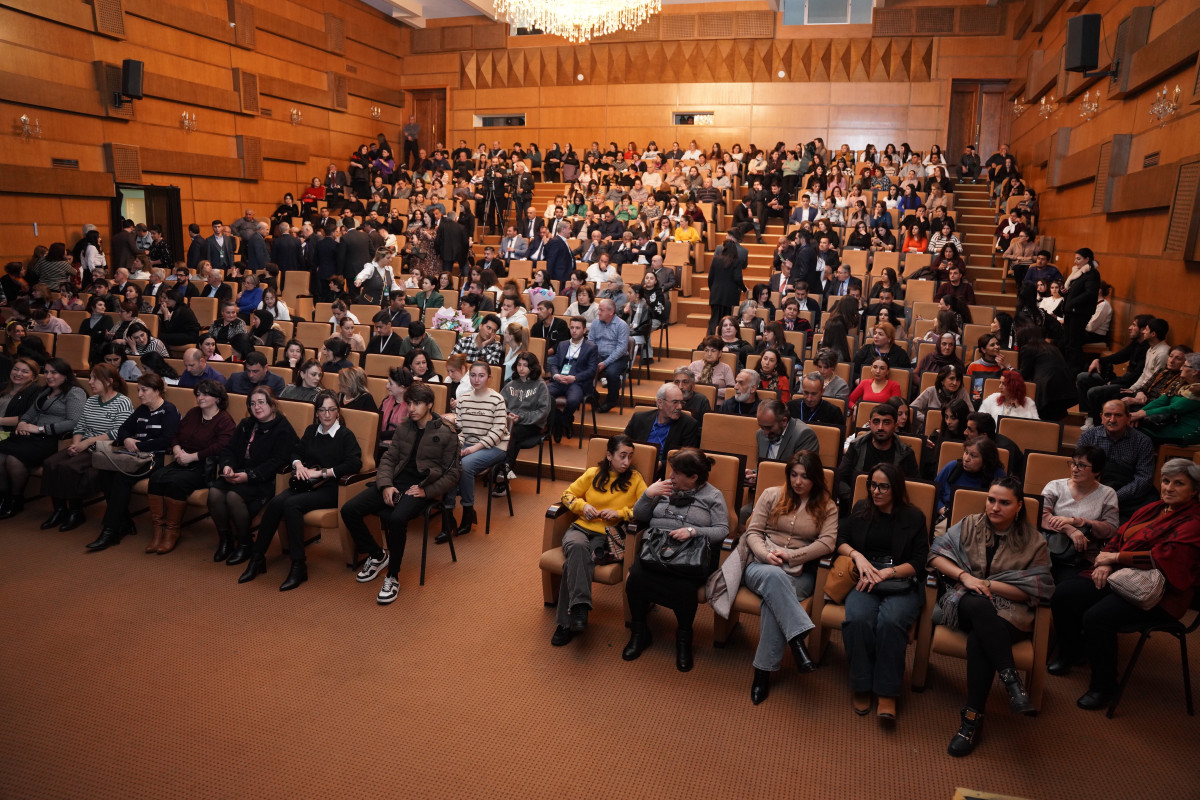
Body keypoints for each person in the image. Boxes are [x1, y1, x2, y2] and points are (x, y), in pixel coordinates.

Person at [1049, 459, 1200, 710]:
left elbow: (1162, 559)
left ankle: (1104, 686)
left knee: (1097, 617)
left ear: (1195, 491)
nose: (1169, 488)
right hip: (1119, 574)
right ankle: (1071, 652)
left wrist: (1114, 559)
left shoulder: (1194, 522)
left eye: (1179, 483)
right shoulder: (1153, 509)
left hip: (1160, 592)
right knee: (1065, 593)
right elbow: (1119, 536)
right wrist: (1105, 563)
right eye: (1165, 481)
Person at [928, 477, 1053, 756]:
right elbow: (935, 555)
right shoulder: (970, 524)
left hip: (1012, 614)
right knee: (979, 606)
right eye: (991, 500)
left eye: (1004, 502)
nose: (995, 507)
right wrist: (964, 577)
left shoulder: (1034, 542)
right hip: (962, 604)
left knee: (979, 640)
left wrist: (984, 584)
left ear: (1019, 506)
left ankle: (971, 721)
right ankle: (1011, 680)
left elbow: (1034, 591)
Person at [711, 451, 831, 703]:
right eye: (794, 475)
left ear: (816, 479)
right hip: (759, 566)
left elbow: (827, 544)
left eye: (805, 477)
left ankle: (762, 672)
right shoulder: (771, 495)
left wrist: (792, 556)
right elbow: (752, 532)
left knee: (773, 601)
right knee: (775, 579)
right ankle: (798, 642)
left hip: (800, 572)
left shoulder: (827, 506)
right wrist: (766, 555)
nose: (798, 482)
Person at [343, 383, 461, 604]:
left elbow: (453, 474)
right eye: (409, 403)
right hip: (396, 483)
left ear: (430, 405)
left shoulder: (446, 433)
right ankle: (378, 555)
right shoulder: (404, 427)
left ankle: (392, 576)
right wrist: (386, 485)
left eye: (417, 403)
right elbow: (388, 459)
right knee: (349, 510)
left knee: (397, 519)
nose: (412, 408)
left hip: (421, 488)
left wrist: (427, 491)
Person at [237, 391, 363, 591]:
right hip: (307, 484)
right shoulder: (312, 430)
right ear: (317, 413)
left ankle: (298, 565)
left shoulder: (344, 435)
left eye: (331, 410)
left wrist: (322, 473)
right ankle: (257, 559)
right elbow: (295, 451)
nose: (327, 414)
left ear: (338, 412)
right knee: (277, 502)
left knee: (291, 504)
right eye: (322, 410)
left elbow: (354, 463)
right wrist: (299, 466)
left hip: (332, 488)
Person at [835, 462, 929, 718]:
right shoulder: (862, 509)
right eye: (873, 485)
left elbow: (921, 561)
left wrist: (890, 571)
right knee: (858, 619)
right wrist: (858, 557)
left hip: (899, 579)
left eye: (883, 487)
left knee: (891, 622)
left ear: (896, 488)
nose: (876, 491)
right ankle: (862, 684)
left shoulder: (913, 516)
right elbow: (840, 540)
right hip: (865, 576)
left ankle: (887, 691)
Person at [623, 448, 730, 672]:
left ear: (693, 477)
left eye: (677, 473)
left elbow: (722, 530)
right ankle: (639, 633)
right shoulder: (663, 489)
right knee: (636, 580)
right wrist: (648, 494)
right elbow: (640, 516)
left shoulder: (713, 495)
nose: (670, 476)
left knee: (684, 588)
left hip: (689, 556)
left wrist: (693, 531)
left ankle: (683, 641)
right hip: (655, 551)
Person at [550, 435, 648, 646]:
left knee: (574, 562)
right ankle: (580, 608)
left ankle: (567, 622)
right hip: (580, 528)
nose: (627, 462)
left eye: (630, 457)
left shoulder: (635, 479)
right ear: (609, 455)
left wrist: (621, 513)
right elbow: (567, 495)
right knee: (576, 546)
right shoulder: (593, 474)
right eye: (622, 456)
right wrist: (581, 506)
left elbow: (645, 509)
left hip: (607, 537)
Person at [88, 373, 181, 552]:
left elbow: (168, 440)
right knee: (105, 473)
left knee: (122, 478)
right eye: (138, 390)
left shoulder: (169, 410)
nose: (139, 394)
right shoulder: (142, 409)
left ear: (157, 391)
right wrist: (129, 440)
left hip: (156, 460)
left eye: (144, 390)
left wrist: (139, 444)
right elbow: (123, 429)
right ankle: (123, 521)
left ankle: (110, 531)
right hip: (136, 457)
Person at [145, 379, 236, 559]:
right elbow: (176, 434)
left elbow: (221, 447)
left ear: (217, 398)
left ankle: (172, 531)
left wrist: (193, 457)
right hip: (181, 459)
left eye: (205, 394)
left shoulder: (224, 420)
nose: (200, 397)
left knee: (176, 483)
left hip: (204, 467)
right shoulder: (194, 413)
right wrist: (177, 449)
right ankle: (158, 531)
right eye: (198, 394)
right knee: (155, 478)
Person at [38, 364, 134, 532]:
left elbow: (118, 432)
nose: (90, 382)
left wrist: (86, 443)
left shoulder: (123, 401)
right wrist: (76, 444)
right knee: (50, 463)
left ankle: (76, 512)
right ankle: (60, 510)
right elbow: (80, 426)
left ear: (109, 381)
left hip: (104, 449)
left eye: (94, 379)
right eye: (90, 378)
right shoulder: (91, 401)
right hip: (83, 445)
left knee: (69, 468)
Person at [210, 387, 298, 566]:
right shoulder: (246, 424)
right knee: (214, 493)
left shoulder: (283, 429)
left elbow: (277, 462)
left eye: (261, 402)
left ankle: (245, 543)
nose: (256, 407)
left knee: (234, 497)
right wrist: (227, 466)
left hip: (265, 479)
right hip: (238, 472)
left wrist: (249, 476)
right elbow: (229, 450)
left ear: (272, 405)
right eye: (252, 403)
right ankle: (226, 539)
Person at [0, 358, 86, 519]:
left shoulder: (74, 392)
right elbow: (30, 413)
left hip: (52, 439)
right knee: (1, 455)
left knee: (13, 459)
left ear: (65, 375)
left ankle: (15, 500)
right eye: (46, 372)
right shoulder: (46, 390)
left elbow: (74, 422)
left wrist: (40, 428)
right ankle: (4, 497)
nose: (49, 376)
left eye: (54, 372)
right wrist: (23, 423)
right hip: (29, 436)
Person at [437, 361, 508, 542]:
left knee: (465, 465)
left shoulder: (497, 399)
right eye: (473, 375)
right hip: (468, 444)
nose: (477, 379)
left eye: (481, 376)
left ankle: (468, 513)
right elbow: (460, 430)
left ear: (489, 378)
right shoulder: (464, 400)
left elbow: (498, 431)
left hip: (494, 446)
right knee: (451, 462)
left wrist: (473, 448)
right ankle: (448, 516)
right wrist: (459, 446)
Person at [1038, 445, 1119, 582]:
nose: (1075, 469)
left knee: (1066, 589)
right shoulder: (1055, 486)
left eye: (1081, 465)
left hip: (1083, 556)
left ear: (1096, 471)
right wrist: (1069, 529)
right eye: (1073, 463)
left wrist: (1080, 522)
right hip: (1049, 549)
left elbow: (1111, 529)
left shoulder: (1107, 494)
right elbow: (1040, 515)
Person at [1077, 399, 1156, 520]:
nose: (1112, 420)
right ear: (1101, 417)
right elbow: (1079, 468)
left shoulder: (1142, 441)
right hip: (1093, 492)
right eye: (1108, 415)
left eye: (1118, 415)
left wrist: (1114, 496)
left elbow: (1144, 478)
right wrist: (1097, 495)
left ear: (1128, 418)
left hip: (1129, 497)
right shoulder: (1088, 436)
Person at [835, 403, 919, 512]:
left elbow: (913, 488)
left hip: (891, 510)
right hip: (858, 508)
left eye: (886, 422)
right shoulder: (856, 447)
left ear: (896, 425)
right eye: (876, 422)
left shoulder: (905, 453)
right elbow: (840, 480)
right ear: (870, 424)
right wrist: (856, 499)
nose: (880, 427)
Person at [497, 352, 550, 493]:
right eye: (519, 365)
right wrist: (509, 415)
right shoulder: (510, 384)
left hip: (532, 425)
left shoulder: (540, 386)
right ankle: (503, 473)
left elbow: (542, 412)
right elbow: (500, 404)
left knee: (511, 434)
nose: (521, 368)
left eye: (525, 365)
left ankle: (505, 467)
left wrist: (520, 418)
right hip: (511, 423)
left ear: (532, 368)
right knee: (505, 433)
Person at [933, 436, 1007, 534]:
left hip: (983, 523)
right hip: (949, 518)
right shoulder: (952, 467)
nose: (966, 459)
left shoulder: (997, 475)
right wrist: (943, 510)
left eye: (973, 456)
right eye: (966, 452)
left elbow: (1003, 504)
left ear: (985, 460)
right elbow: (933, 493)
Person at [623, 383, 700, 475]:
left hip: (667, 474)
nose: (680, 407)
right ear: (660, 403)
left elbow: (687, 459)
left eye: (681, 402)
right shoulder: (639, 419)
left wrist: (661, 465)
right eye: (675, 402)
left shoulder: (689, 424)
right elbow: (622, 443)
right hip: (634, 467)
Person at [911, 364, 970, 432]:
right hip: (931, 430)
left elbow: (970, 414)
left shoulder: (962, 392)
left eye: (958, 380)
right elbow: (912, 409)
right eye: (951, 379)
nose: (955, 383)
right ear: (942, 380)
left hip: (954, 432)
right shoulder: (931, 391)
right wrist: (928, 419)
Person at [966, 333, 1009, 406]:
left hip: (998, 402)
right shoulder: (973, 366)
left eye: (997, 344)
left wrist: (1003, 368)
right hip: (978, 402)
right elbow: (968, 387)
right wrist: (973, 396)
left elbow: (1008, 386)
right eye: (992, 345)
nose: (997, 347)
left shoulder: (1003, 365)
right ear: (983, 350)